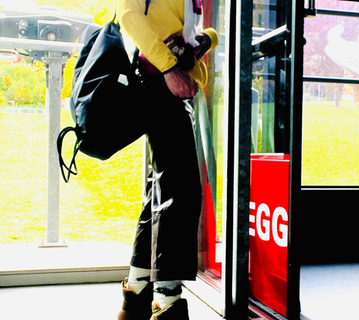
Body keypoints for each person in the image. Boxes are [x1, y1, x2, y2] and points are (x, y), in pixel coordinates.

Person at [115, 0, 218, 319]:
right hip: (158, 81)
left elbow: (177, 26)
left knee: (163, 191)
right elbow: (129, 16)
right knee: (182, 191)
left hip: (166, 82)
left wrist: (207, 38)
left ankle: (138, 291)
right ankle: (167, 299)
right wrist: (171, 69)